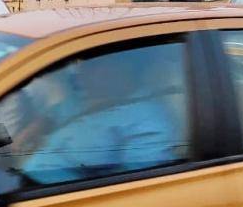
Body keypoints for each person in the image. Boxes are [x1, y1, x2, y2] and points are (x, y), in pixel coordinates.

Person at [21, 52, 181, 185]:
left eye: (93, 65)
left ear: (124, 68)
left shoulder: (147, 123)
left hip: (50, 198)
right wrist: (29, 132)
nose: (81, 71)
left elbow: (136, 187)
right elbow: (54, 115)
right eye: (83, 63)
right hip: (22, 177)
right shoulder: (82, 97)